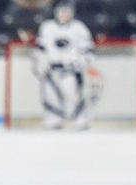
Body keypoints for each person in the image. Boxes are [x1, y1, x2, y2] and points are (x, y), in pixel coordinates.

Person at [32, 2, 95, 130]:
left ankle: (81, 120)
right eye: (61, 11)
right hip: (52, 70)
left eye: (66, 12)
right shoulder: (47, 27)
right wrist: (40, 64)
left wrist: (80, 63)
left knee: (74, 95)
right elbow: (41, 49)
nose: (63, 14)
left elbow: (87, 49)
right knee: (51, 96)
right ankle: (53, 120)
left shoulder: (79, 28)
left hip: (70, 70)